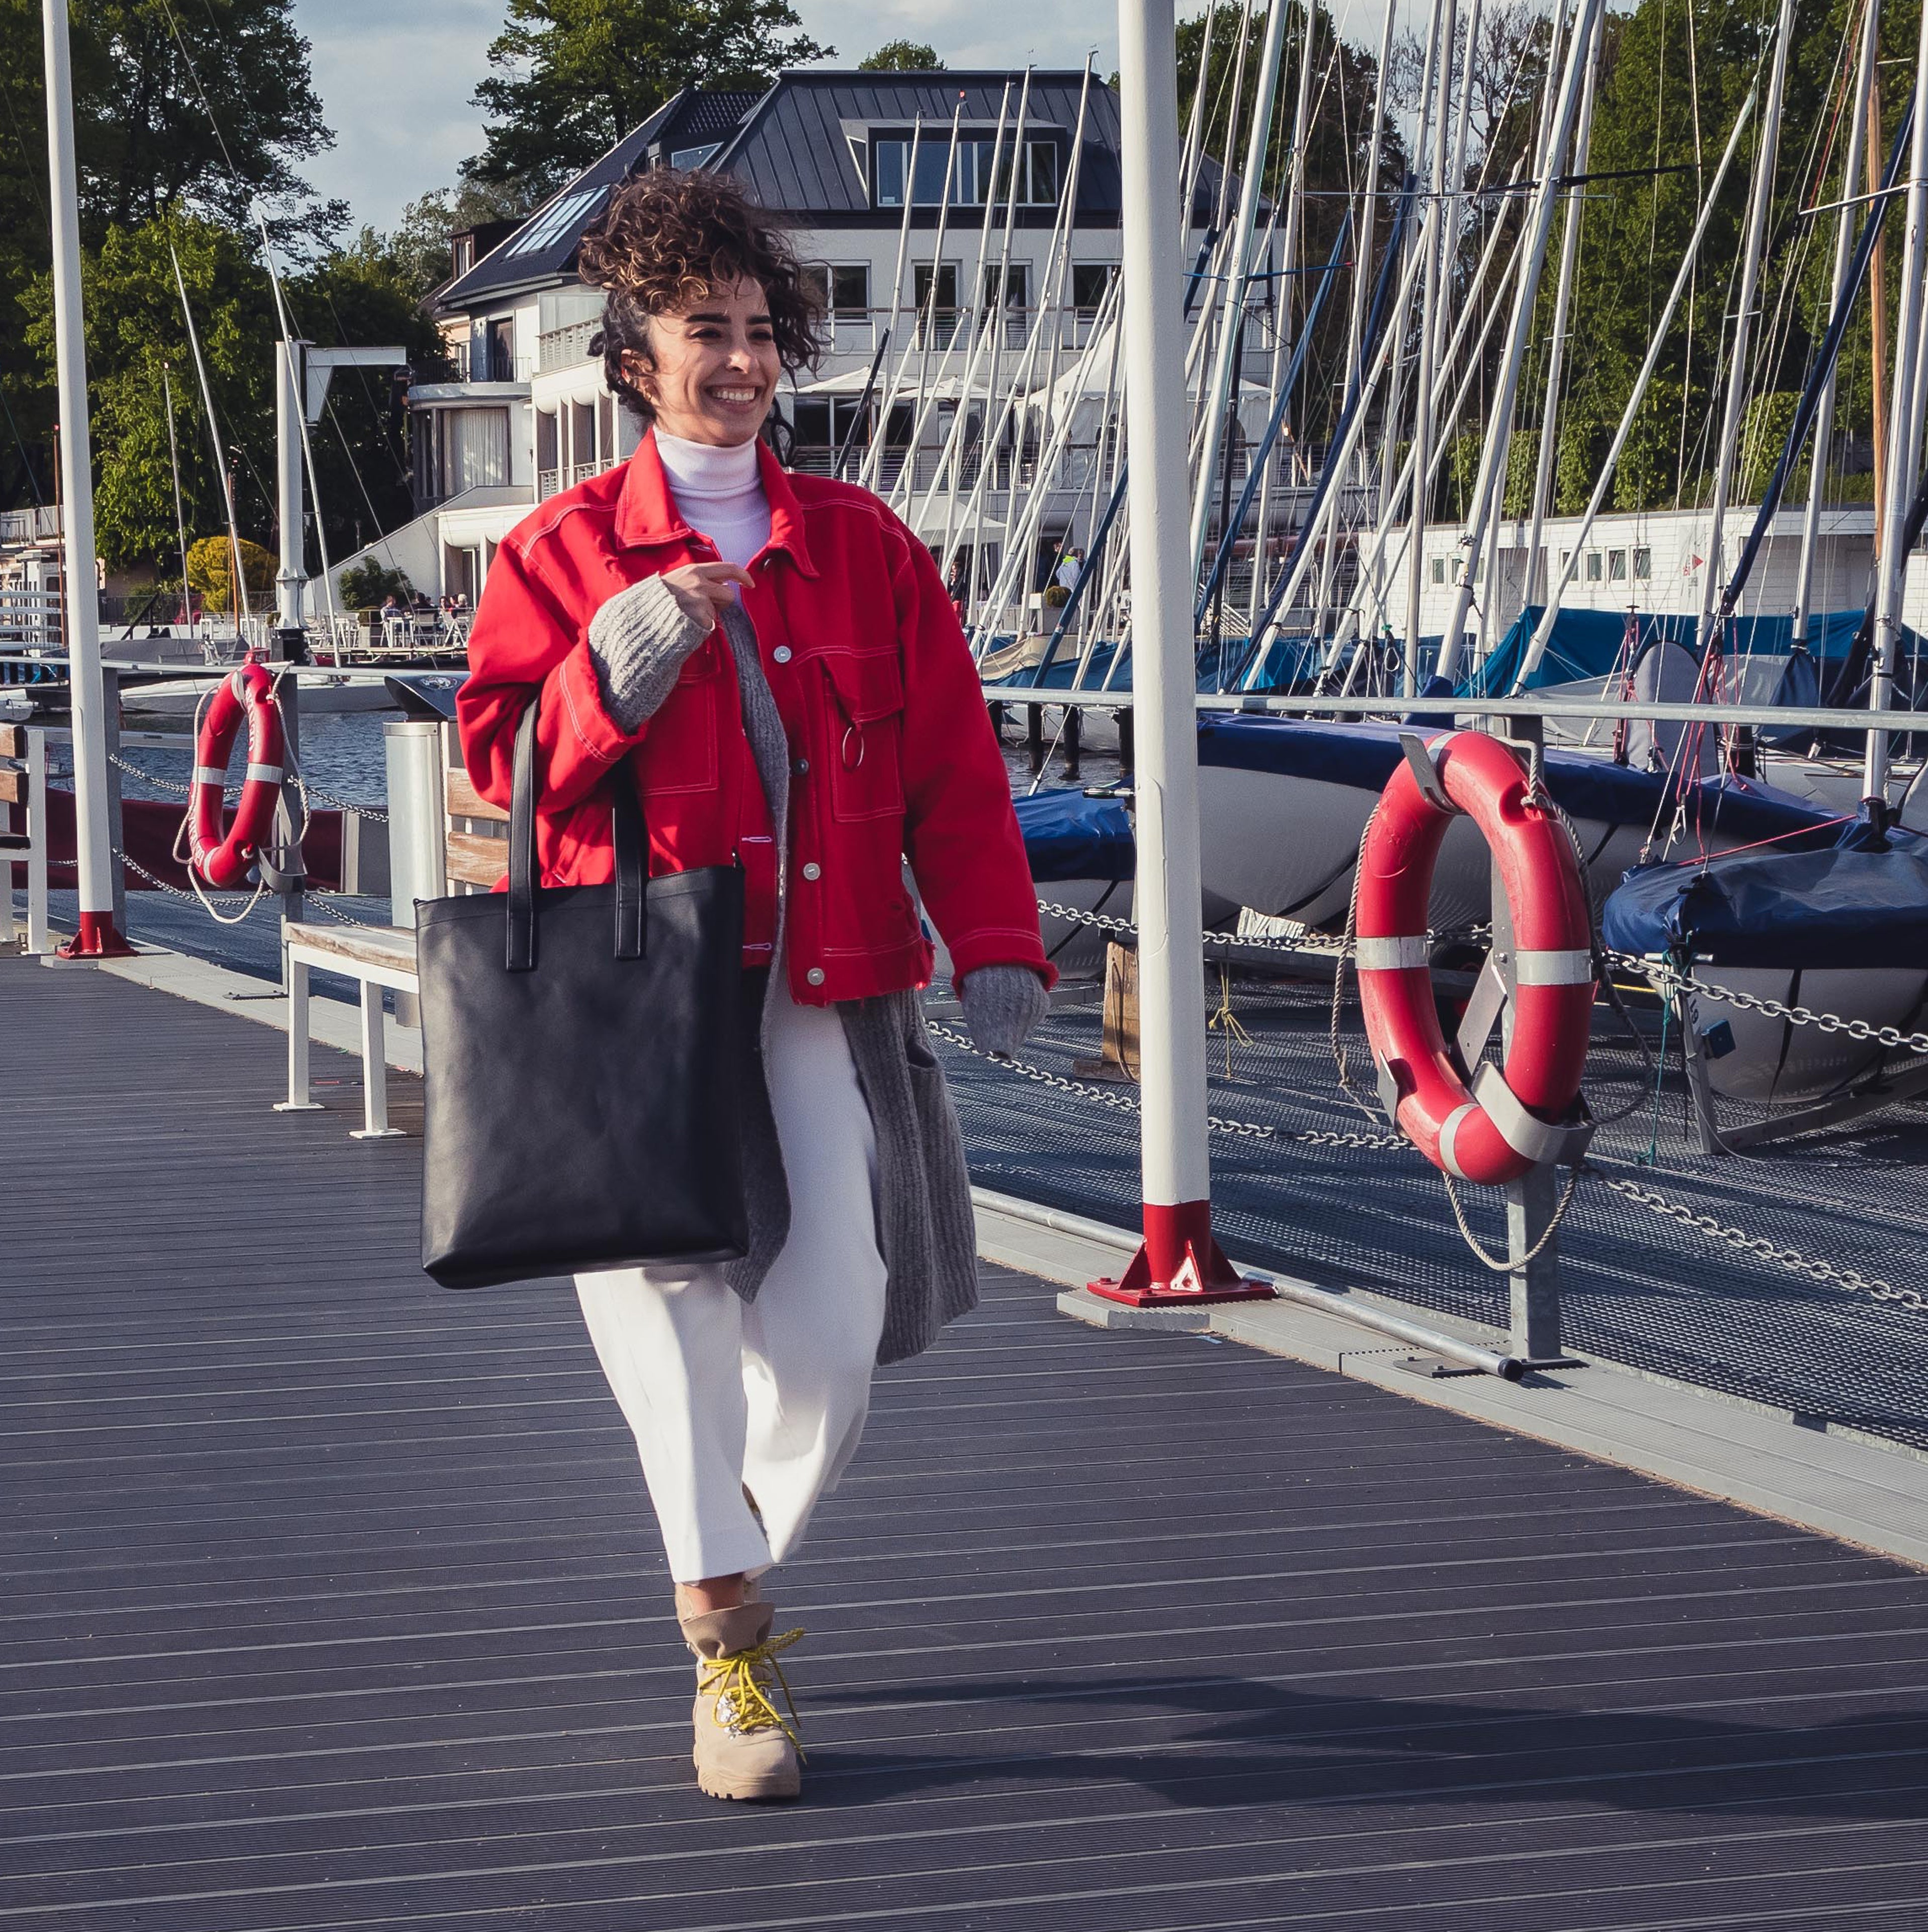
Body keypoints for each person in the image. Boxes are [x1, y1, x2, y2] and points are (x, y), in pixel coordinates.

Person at [458, 169, 1052, 1805]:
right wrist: (615, 661)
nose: (734, 360)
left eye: (752, 331)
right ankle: (726, 1645)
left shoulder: (860, 545)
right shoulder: (561, 550)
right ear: (632, 356)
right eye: (697, 332)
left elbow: (951, 769)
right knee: (675, 1328)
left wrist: (995, 937)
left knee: (836, 1329)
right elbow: (506, 768)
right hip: (639, 997)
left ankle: (727, 1551)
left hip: (822, 981)